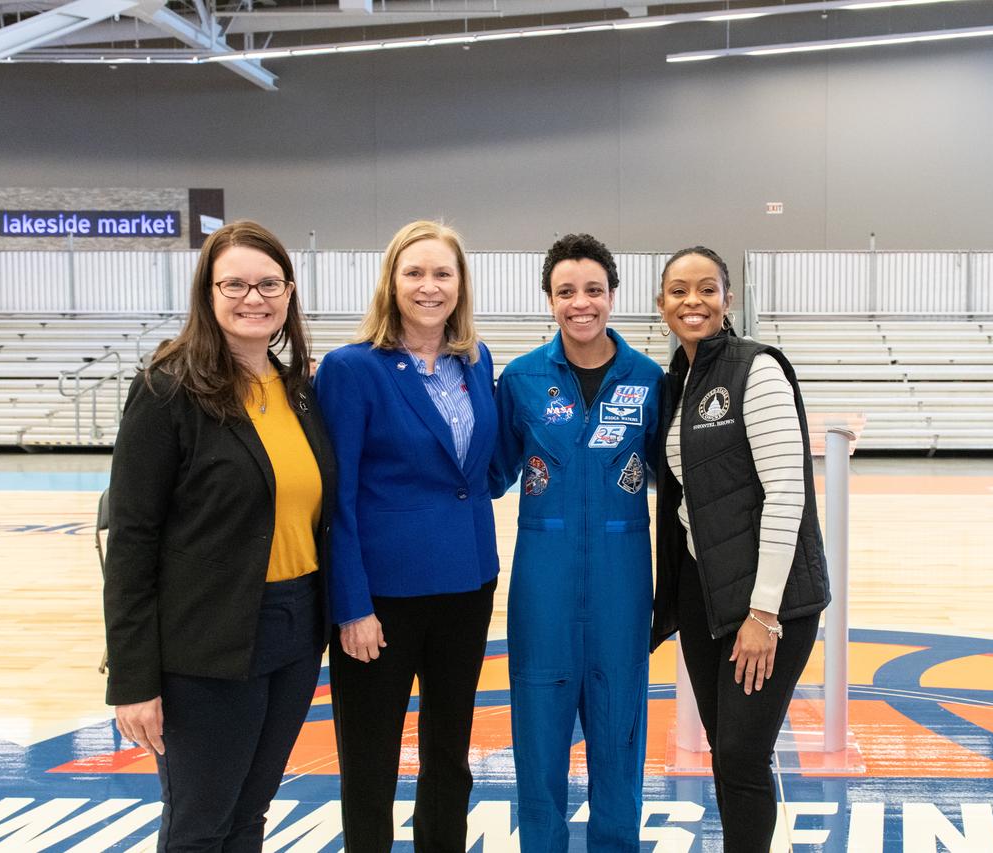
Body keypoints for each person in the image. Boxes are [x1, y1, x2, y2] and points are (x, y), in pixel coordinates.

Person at [103, 220, 336, 852]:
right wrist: (132, 681)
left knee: (250, 812)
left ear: (288, 293)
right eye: (234, 283)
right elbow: (130, 541)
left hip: (293, 630)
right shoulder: (166, 390)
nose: (252, 298)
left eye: (268, 284)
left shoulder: (299, 391)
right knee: (199, 824)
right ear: (208, 293)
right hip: (205, 643)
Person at [315, 220, 499, 853]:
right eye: (414, 273)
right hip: (382, 600)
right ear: (391, 283)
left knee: (450, 752)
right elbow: (335, 498)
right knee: (370, 759)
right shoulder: (350, 369)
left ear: (460, 284)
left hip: (466, 586)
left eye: (442, 273)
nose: (429, 286)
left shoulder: (476, 362)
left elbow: (479, 470)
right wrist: (352, 606)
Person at [650, 246, 830, 853]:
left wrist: (764, 613)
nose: (692, 301)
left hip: (767, 605)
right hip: (706, 597)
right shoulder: (677, 380)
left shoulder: (756, 368)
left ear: (730, 299)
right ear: (661, 304)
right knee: (727, 756)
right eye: (678, 291)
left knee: (740, 756)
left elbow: (787, 492)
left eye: (706, 289)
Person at [489, 234, 661, 852]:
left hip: (622, 587)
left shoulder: (649, 379)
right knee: (538, 744)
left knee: (619, 738)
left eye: (593, 290)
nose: (580, 303)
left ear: (612, 296)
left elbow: (679, 479)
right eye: (566, 292)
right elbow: (488, 472)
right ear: (549, 299)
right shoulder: (521, 380)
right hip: (543, 588)